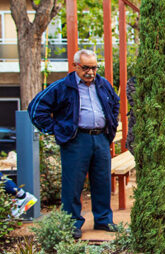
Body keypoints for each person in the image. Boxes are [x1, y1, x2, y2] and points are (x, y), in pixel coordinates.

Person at [28, 49, 120, 239]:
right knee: (73, 184)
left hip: (101, 138)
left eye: (94, 67)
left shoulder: (103, 84)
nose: (91, 72)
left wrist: (110, 126)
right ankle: (72, 223)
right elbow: (36, 108)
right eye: (86, 67)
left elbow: (115, 104)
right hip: (76, 140)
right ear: (75, 65)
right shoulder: (62, 86)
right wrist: (56, 129)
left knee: (102, 181)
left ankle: (104, 220)